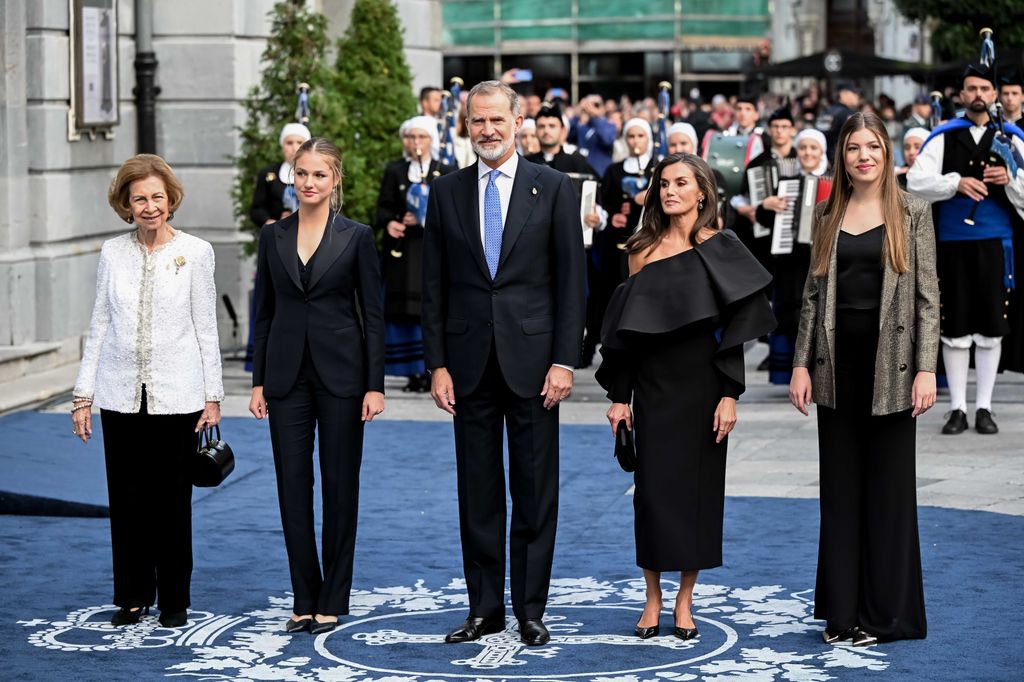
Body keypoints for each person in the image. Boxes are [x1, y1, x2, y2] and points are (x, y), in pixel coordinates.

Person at [421, 80, 586, 647]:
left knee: (536, 491)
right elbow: (433, 287)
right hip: (467, 367)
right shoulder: (445, 192)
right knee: (478, 493)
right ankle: (484, 608)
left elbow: (572, 285)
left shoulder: (556, 188)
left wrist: (566, 360)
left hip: (536, 365)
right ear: (465, 126)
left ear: (520, 122)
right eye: (476, 122)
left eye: (496, 120)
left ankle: (530, 609)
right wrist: (436, 364)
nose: (487, 131)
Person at [597, 153, 774, 641]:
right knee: (651, 498)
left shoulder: (723, 247)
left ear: (702, 192)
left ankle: (684, 600)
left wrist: (730, 394)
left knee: (698, 497)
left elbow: (736, 329)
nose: (670, 190)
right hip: (653, 389)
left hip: (703, 387)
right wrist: (619, 397)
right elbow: (625, 335)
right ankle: (652, 599)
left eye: (681, 183)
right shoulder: (640, 250)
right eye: (663, 183)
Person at [790, 112, 938, 647]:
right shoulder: (827, 211)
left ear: (887, 152)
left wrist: (927, 369)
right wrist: (800, 362)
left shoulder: (913, 212)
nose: (863, 156)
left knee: (888, 491)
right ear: (842, 155)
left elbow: (927, 298)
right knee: (841, 490)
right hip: (836, 369)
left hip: (893, 370)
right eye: (854, 148)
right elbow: (811, 294)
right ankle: (842, 612)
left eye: (872, 146)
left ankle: (886, 616)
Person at [72, 154, 224, 629]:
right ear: (126, 203)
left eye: (157, 197)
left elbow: (206, 328)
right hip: (119, 395)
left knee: (172, 504)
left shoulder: (196, 252)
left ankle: (175, 599)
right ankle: (133, 596)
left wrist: (213, 396)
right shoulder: (111, 252)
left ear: (171, 199)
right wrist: (83, 395)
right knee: (128, 501)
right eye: (140, 198)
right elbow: (99, 324)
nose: (150, 206)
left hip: (177, 396)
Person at [250, 137, 386, 636]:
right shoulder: (273, 237)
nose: (308, 183)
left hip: (344, 377)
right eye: (301, 173)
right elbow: (262, 312)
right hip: (285, 378)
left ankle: (333, 597)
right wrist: (258, 379)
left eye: (319, 175)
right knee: (292, 488)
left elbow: (373, 315)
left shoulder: (357, 237)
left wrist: (375, 385)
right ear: (292, 176)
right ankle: (303, 597)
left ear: (336, 181)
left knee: (339, 486)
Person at [907, 62, 1024, 435]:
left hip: (995, 243)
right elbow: (915, 181)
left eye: (985, 90)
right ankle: (957, 407)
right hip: (952, 242)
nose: (978, 95)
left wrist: (1010, 179)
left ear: (995, 96)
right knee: (954, 323)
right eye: (971, 89)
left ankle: (984, 406)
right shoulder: (943, 136)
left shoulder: (1011, 138)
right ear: (962, 95)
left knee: (991, 323)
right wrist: (955, 182)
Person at [376, 117, 456, 392]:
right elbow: (383, 207)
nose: (416, 143)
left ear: (431, 140)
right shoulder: (395, 170)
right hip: (403, 253)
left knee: (430, 308)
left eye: (422, 137)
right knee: (403, 312)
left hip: (431, 249)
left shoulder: (445, 171)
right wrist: (391, 222)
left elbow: (453, 211)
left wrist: (426, 218)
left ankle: (431, 367)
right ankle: (410, 371)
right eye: (411, 138)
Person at [757, 128, 833, 384]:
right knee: (792, 313)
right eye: (803, 148)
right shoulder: (786, 183)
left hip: (825, 261)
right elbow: (765, 221)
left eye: (813, 148)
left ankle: (821, 372)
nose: (808, 153)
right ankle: (793, 373)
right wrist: (765, 206)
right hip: (792, 262)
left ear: (822, 151)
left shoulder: (835, 182)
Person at [250, 122, 312, 229]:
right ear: (282, 145)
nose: (294, 148)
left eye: (299, 142)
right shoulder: (267, 173)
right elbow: (257, 208)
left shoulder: (317, 174)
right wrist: (269, 222)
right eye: (289, 143)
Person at [569, 94, 618, 175]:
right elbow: (566, 136)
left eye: (596, 105)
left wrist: (596, 117)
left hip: (601, 174)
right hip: (582, 172)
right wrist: (577, 113)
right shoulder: (581, 125)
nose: (592, 108)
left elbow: (607, 141)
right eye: (589, 105)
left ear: (603, 108)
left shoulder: (609, 125)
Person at [824, 84, 860, 162]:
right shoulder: (847, 113)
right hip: (840, 159)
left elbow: (821, 134)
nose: (857, 96)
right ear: (843, 94)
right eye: (854, 93)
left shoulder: (827, 111)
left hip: (825, 157)